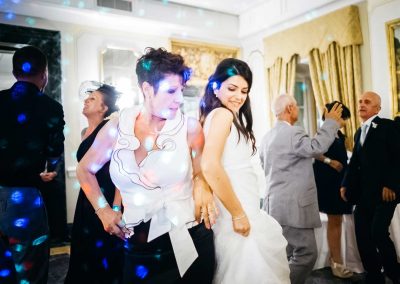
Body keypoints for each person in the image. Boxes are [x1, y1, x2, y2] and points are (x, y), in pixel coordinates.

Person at [76, 47, 216, 283]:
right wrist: (104, 210)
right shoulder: (116, 129)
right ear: (147, 89)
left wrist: (202, 182)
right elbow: (84, 170)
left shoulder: (190, 128)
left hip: (188, 238)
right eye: (171, 91)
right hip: (138, 244)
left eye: (181, 90)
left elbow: (202, 170)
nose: (179, 99)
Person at [200, 58, 290, 283]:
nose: (239, 96)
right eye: (232, 88)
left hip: (242, 203)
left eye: (244, 91)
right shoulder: (222, 115)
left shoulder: (221, 115)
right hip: (236, 207)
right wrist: (238, 213)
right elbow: (210, 165)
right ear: (216, 86)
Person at [260, 94, 343, 284]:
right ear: (289, 109)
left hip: (274, 206)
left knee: (286, 254)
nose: (297, 109)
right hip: (294, 207)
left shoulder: (267, 137)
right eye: (296, 106)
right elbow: (316, 147)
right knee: (306, 254)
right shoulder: (293, 133)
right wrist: (330, 123)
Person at [0, 45, 65, 283]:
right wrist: (49, 169)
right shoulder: (50, 107)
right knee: (30, 268)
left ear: (16, 72)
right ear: (44, 74)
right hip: (25, 198)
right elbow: (54, 152)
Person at [65, 83, 124, 283]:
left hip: (105, 196)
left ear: (104, 108)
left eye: (92, 99)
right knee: (83, 246)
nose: (86, 101)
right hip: (87, 196)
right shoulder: (84, 132)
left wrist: (116, 207)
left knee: (104, 250)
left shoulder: (112, 129)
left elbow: (120, 171)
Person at [341, 91, 400, 284]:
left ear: (377, 108)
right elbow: (354, 163)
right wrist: (345, 184)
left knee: (378, 233)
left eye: (367, 102)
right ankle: (374, 275)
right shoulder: (359, 132)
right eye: (360, 101)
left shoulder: (388, 126)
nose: (361, 104)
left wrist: (391, 184)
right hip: (363, 195)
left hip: (385, 194)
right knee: (362, 236)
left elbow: (398, 157)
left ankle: (395, 273)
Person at [313, 101, 353, 278]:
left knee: (337, 221)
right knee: (334, 221)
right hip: (328, 182)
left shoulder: (339, 134)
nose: (344, 122)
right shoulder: (323, 132)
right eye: (343, 118)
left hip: (339, 181)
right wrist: (329, 161)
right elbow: (313, 151)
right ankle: (336, 262)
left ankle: (336, 259)